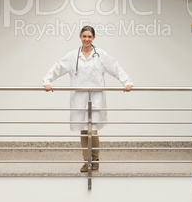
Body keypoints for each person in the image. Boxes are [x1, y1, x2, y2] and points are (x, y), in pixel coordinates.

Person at [43, 25, 133, 173]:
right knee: (84, 131)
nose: (87, 39)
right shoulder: (73, 55)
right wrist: (47, 81)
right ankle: (87, 162)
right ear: (80, 37)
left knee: (93, 130)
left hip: (96, 98)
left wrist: (126, 81)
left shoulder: (100, 55)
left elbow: (115, 67)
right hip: (79, 98)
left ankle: (95, 161)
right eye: (84, 36)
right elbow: (58, 67)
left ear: (93, 38)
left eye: (89, 37)